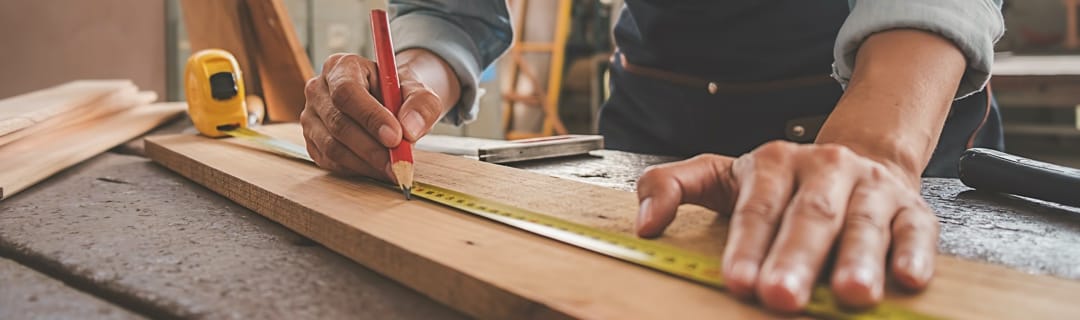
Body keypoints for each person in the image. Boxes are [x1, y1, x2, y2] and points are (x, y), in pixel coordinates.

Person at [299, 0, 1005, 312]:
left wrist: (873, 151)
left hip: (886, 104)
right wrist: (411, 83)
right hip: (658, 120)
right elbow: (455, 7)